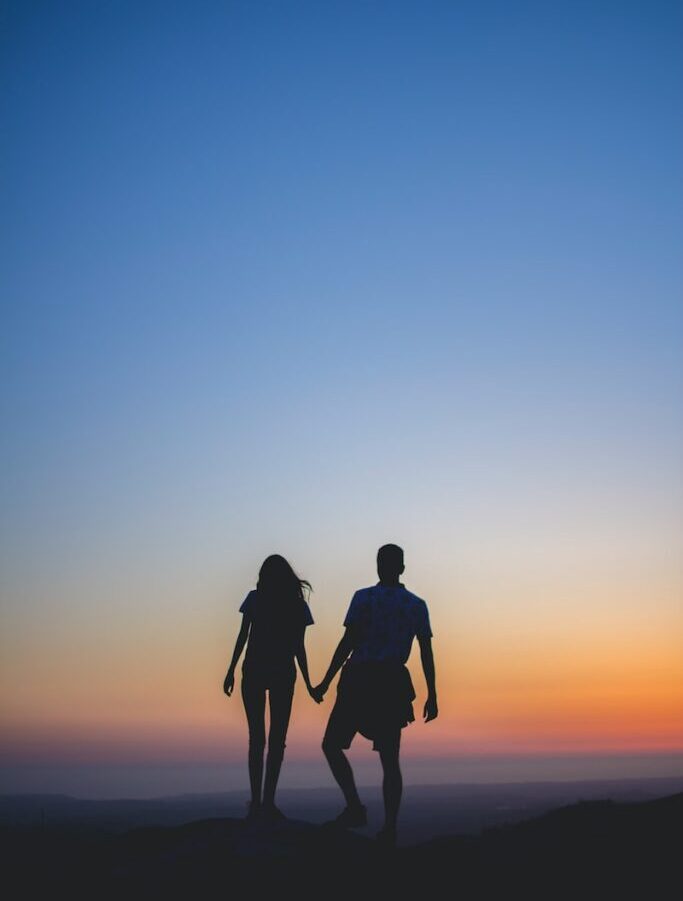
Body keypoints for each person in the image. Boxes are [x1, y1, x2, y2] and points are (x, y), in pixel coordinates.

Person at [314, 544, 438, 846]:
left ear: (380, 566)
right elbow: (426, 652)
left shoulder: (363, 598)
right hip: (390, 683)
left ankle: (355, 808)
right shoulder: (415, 605)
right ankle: (389, 828)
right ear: (402, 568)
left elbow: (348, 642)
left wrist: (326, 681)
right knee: (389, 759)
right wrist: (432, 694)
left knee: (332, 744)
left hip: (359, 679)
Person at [223, 554, 319, 820]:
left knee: (258, 739)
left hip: (254, 669)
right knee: (276, 741)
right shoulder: (297, 606)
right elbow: (299, 649)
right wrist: (310, 684)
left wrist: (231, 670)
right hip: (282, 673)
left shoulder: (255, 599)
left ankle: (258, 803)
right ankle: (267, 803)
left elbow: (243, 636)